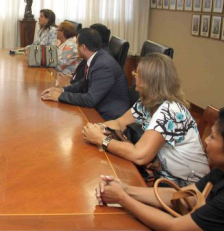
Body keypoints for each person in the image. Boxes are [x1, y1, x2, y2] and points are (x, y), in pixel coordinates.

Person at [94, 105, 224, 230]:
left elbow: (175, 226)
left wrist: (122, 198)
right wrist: (126, 189)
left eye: (212, 137)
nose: (206, 140)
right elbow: (182, 196)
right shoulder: (223, 171)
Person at [83, 53, 209, 186]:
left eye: (136, 74)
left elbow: (139, 155)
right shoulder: (147, 102)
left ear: (147, 82)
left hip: (187, 188)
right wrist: (97, 128)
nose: (134, 76)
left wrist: (102, 139)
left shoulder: (170, 111)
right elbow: (119, 123)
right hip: (163, 178)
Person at [41, 28, 130, 120]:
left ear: (83, 47)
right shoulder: (97, 57)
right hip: (97, 108)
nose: (76, 47)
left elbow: (90, 99)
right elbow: (83, 83)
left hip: (108, 116)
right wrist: (62, 90)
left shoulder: (103, 65)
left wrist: (60, 96)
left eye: (77, 45)